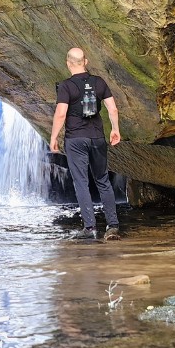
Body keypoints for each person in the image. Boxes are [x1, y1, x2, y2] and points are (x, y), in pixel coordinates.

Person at [50, 47, 122, 241]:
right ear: (86, 62)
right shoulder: (99, 82)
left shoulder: (66, 86)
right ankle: (112, 226)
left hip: (75, 140)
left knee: (81, 182)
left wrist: (53, 137)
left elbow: (61, 114)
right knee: (103, 180)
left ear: (68, 63)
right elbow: (112, 109)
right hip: (97, 138)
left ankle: (90, 228)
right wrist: (115, 129)